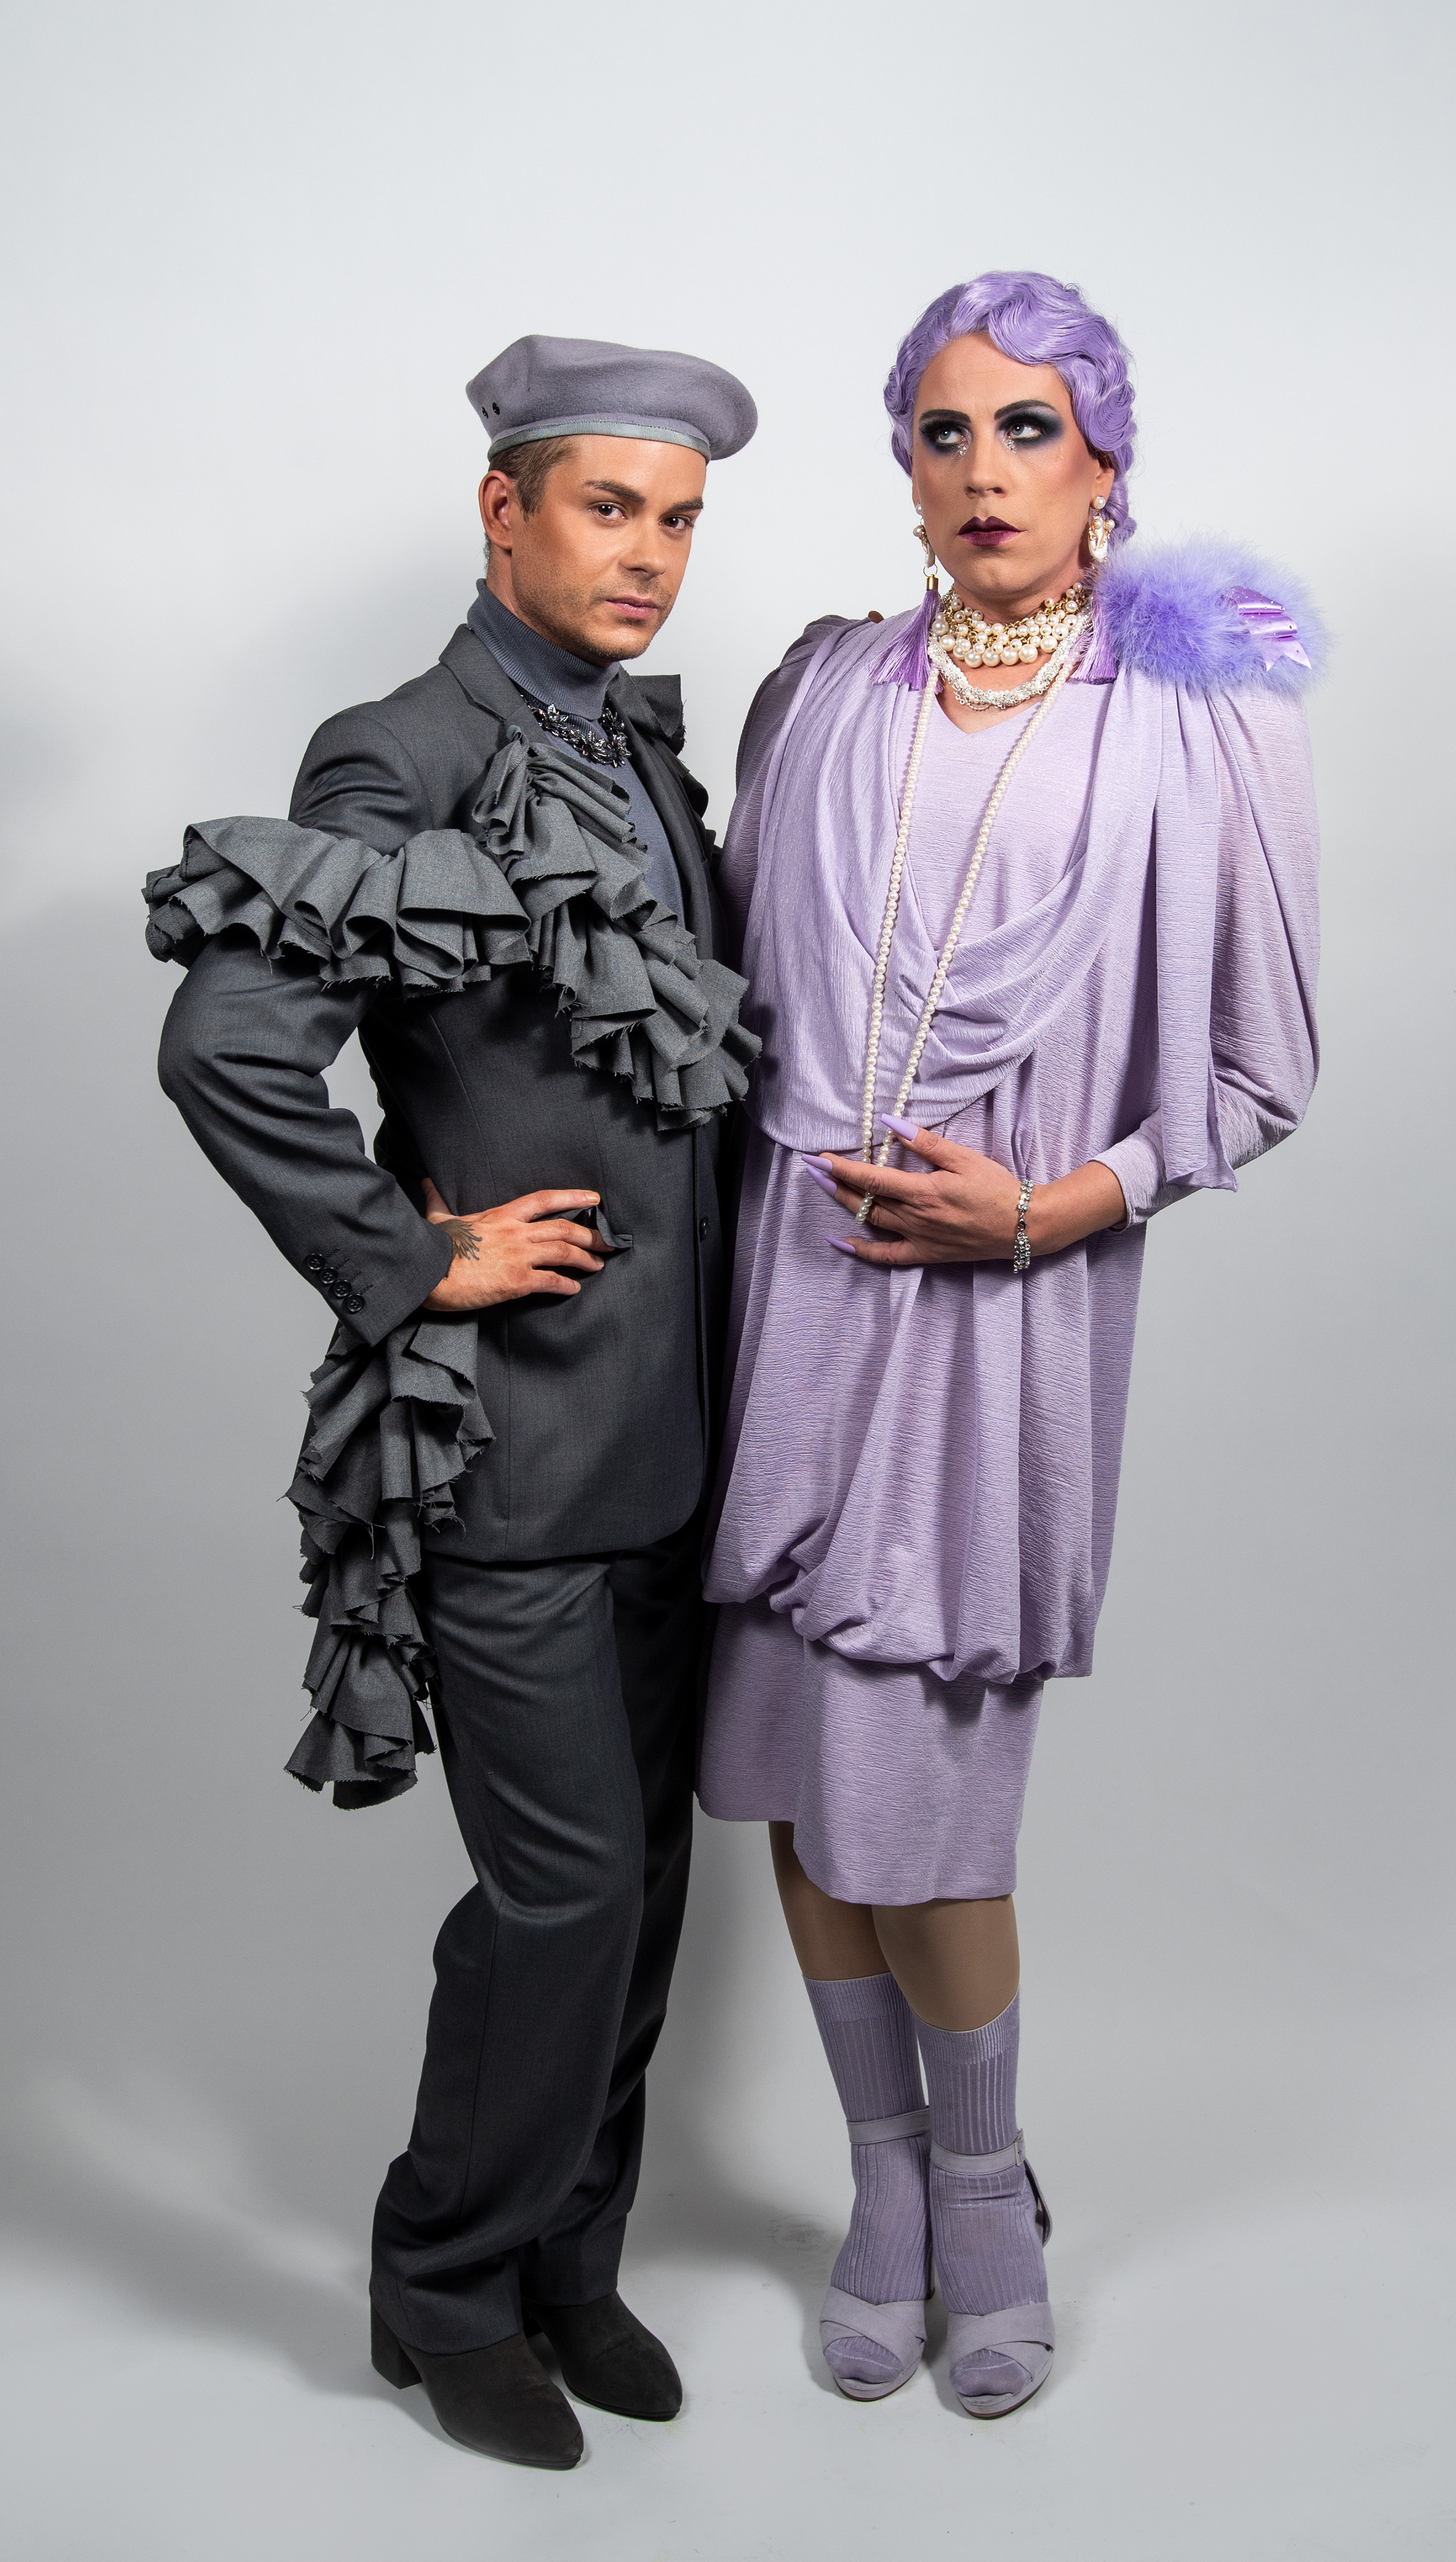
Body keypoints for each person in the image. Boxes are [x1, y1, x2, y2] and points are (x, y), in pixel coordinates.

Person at [697, 270, 1320, 2419]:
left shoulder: (1199, 716)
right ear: (903, 465)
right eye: (943, 431)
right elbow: (727, 1007)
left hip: (1005, 1316)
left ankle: (983, 2186)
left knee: (926, 1783)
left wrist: (1049, 1205)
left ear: (1104, 460)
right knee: (793, 1763)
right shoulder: (818, 692)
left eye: (1027, 428)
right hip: (789, 1292)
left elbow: (1257, 1069)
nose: (983, 472)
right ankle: (881, 2174)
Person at [145, 335, 759, 2471]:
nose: (650, 555)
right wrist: (415, 1258)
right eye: (610, 508)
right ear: (502, 512)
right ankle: (441, 2282)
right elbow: (228, 1041)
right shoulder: (399, 750)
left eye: (679, 520)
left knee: (644, 1895)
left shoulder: (642, 752)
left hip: (675, 1443)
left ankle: (573, 2258)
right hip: (512, 1441)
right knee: (560, 1896)